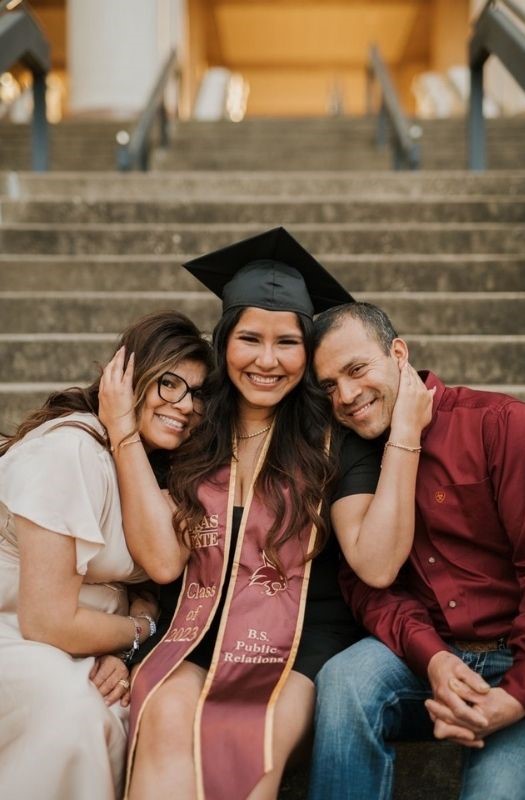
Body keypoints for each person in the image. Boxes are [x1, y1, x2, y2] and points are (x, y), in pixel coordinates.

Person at [99, 227, 433, 800]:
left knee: (249, 743)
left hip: (300, 642)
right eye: (250, 339)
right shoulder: (196, 428)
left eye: (288, 343)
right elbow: (162, 562)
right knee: (164, 721)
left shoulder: (333, 437)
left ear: (308, 352)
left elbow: (377, 565)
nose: (267, 360)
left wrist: (405, 432)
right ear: (224, 341)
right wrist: (123, 433)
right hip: (196, 630)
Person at [308, 301, 525, 800]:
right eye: (328, 386)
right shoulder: (349, 457)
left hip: (517, 660)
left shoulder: (498, 424)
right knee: (344, 680)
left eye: (357, 369)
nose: (346, 396)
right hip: (426, 657)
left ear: (398, 353)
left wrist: (515, 696)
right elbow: (367, 589)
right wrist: (434, 659)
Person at [0, 310, 214, 800]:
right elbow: (47, 620)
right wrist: (139, 633)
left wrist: (122, 650)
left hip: (77, 641)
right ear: (125, 378)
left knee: (139, 708)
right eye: (168, 383)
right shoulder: (72, 451)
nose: (185, 405)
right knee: (75, 714)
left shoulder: (156, 468)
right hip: (17, 630)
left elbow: (156, 573)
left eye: (199, 394)